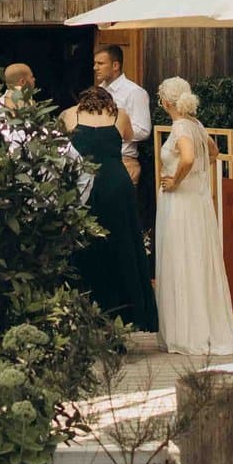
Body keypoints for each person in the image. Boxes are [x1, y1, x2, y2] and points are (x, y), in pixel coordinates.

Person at [153, 78, 233, 357]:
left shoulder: (181, 126)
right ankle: (200, 325)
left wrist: (176, 180)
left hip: (181, 203)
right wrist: (197, 178)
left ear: (165, 102)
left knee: (182, 259)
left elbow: (188, 157)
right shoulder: (196, 124)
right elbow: (213, 152)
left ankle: (187, 332)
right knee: (197, 259)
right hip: (197, 202)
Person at [63, 85, 158, 331]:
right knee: (123, 242)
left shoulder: (69, 115)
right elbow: (128, 136)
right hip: (116, 183)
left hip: (84, 183)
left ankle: (84, 308)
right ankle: (125, 311)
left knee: (86, 242)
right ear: (109, 101)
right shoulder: (120, 115)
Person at [95, 45, 155, 239]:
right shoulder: (98, 91)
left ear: (115, 65)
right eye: (95, 63)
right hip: (96, 162)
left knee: (121, 221)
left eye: (100, 63)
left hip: (123, 162)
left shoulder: (134, 92)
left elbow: (143, 130)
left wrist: (112, 132)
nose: (95, 67)